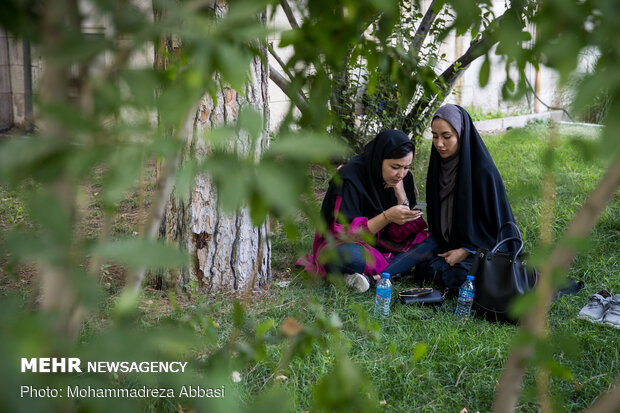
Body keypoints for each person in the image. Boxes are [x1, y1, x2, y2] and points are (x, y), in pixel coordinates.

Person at [296, 129, 436, 292]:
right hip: (350, 245)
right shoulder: (349, 178)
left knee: (431, 242)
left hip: (386, 247)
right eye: (395, 167)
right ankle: (396, 269)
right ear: (379, 159)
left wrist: (401, 197)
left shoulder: (404, 179)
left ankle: (373, 277)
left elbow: (401, 235)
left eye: (406, 167)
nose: (400, 174)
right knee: (346, 255)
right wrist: (386, 217)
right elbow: (343, 233)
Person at [415, 104, 517, 289]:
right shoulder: (438, 167)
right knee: (423, 268)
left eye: (447, 137)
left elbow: (498, 228)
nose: (439, 144)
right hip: (447, 248)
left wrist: (466, 250)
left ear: (461, 134)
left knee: (460, 276)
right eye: (435, 136)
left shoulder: (483, 172)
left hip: (481, 250)